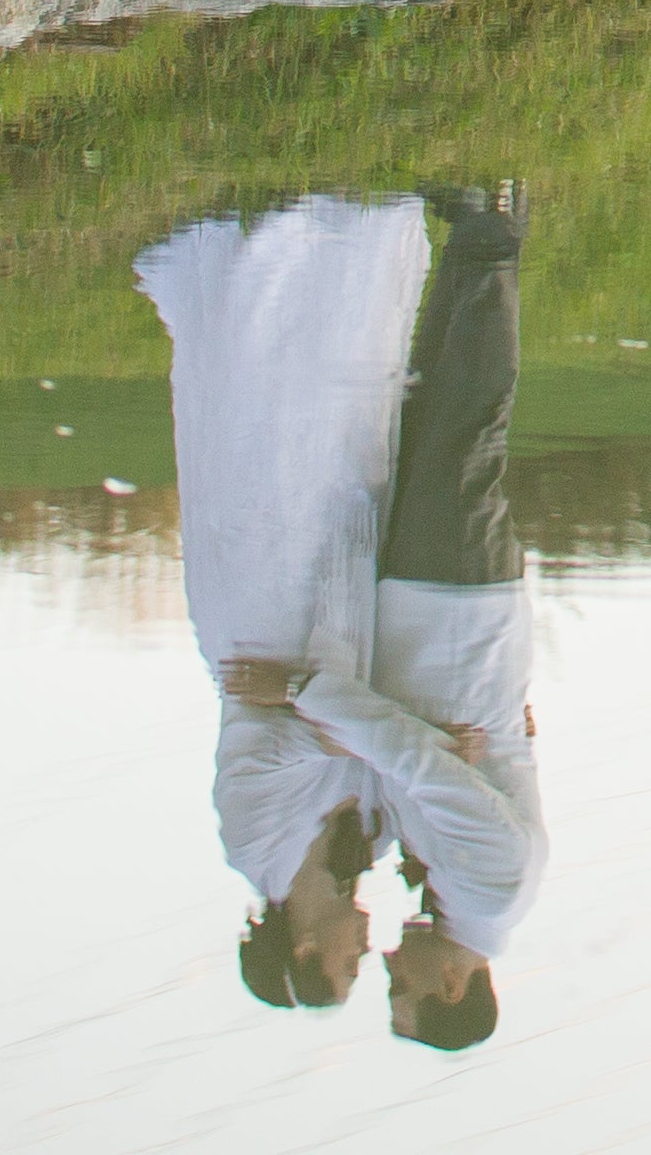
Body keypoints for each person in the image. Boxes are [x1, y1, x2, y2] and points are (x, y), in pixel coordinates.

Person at [139, 183, 544, 1044]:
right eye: (395, 987)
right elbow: (420, 763)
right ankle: (493, 229)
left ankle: (461, 238)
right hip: (456, 622)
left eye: (360, 969)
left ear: (306, 947)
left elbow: (403, 760)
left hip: (373, 616)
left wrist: (412, 743)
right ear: (449, 992)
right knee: (464, 434)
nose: (382, 960)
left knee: (410, 422)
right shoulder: (494, 888)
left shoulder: (335, 851)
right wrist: (409, 741)